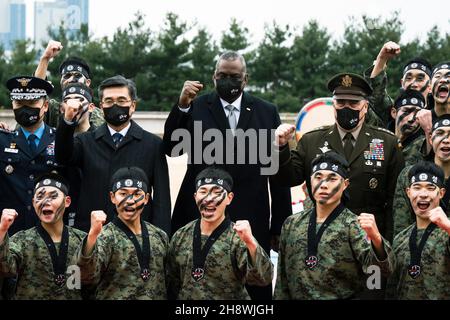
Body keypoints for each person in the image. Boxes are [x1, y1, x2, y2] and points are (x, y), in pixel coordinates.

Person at [163, 51, 291, 299]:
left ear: (245, 78)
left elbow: (276, 173)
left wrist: (279, 224)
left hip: (251, 214)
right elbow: (170, 147)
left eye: (234, 76)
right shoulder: (196, 107)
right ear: (213, 77)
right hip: (200, 214)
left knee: (254, 286)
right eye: (222, 75)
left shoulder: (266, 111)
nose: (227, 81)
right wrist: (181, 106)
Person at [273, 73, 404, 241]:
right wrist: (280, 147)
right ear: (333, 105)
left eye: (354, 103)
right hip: (322, 238)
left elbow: (395, 200)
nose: (346, 107)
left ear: (365, 106)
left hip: (368, 238)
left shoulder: (387, 142)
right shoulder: (311, 141)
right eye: (341, 102)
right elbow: (287, 179)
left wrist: (386, 242)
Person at [55, 75, 171, 234]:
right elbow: (62, 156)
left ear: (133, 106)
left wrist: (161, 236)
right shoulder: (85, 142)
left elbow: (162, 199)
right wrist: (67, 121)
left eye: (122, 100)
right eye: (109, 101)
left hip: (139, 235)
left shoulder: (153, 144)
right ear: (101, 107)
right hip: (92, 234)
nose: (115, 105)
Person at [274, 152, 393, 299]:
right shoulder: (292, 224)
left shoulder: (354, 226)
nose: (323, 185)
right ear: (309, 181)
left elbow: (382, 271)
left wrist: (376, 238)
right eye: (318, 177)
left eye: (332, 179)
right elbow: (282, 280)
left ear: (345, 184)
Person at [167, 167, 272, 300]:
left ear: (229, 198)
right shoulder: (181, 236)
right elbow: (172, 284)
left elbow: (263, 278)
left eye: (217, 192)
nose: (209, 199)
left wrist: (251, 242)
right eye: (203, 192)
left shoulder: (239, 238)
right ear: (195, 197)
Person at [76, 167, 168, 299]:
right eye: (123, 194)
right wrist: (92, 235)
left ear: (146, 198)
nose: (130, 200)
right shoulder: (104, 237)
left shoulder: (160, 236)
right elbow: (85, 276)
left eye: (137, 194)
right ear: (112, 197)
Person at [0, 172, 85, 299]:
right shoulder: (21, 240)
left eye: (53, 196)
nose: (45, 202)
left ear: (67, 201)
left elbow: (93, 278)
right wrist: (2, 229)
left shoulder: (82, 240)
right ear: (34, 203)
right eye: (40, 197)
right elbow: (6, 269)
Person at [0, 76, 58, 234]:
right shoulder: (3, 140)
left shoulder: (61, 141)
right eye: (19, 104)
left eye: (31, 103)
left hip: (50, 233)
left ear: (45, 106)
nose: (25, 109)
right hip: (11, 233)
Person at [387, 161, 450, 299]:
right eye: (417, 187)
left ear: (441, 193)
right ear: (408, 192)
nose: (423, 194)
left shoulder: (446, 233)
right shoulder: (400, 240)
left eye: (430, 188)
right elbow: (391, 290)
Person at [393, 115, 450, 235]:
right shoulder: (409, 175)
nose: (446, 140)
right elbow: (401, 226)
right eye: (439, 133)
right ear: (430, 138)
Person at [34, 40, 104, 129]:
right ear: (61, 81)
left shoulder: (101, 116)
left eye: (77, 75)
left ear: (88, 82)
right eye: (67, 76)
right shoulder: (52, 109)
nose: (71, 79)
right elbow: (36, 93)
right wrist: (45, 58)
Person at [392, 89, 427, 166]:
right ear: (394, 113)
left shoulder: (425, 146)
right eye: (407, 111)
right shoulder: (384, 141)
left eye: (418, 113)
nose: (411, 119)